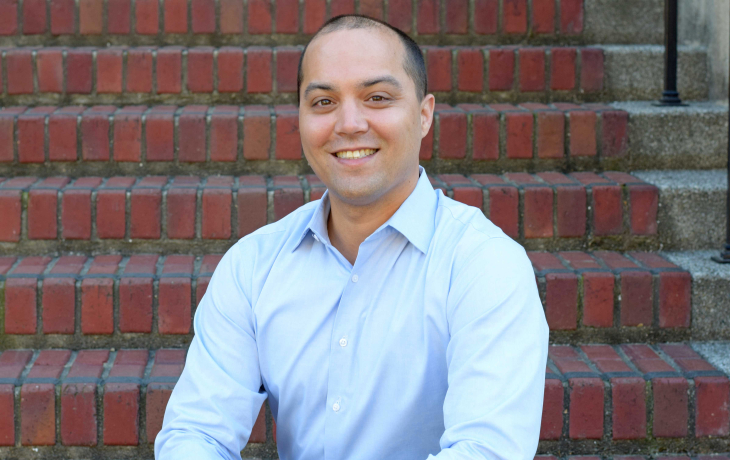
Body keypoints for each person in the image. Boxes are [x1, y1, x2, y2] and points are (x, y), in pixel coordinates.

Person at [155, 14, 549, 460]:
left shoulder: (484, 265)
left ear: (424, 115)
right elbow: (195, 434)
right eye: (323, 102)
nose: (348, 123)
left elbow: (487, 450)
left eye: (377, 97)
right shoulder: (254, 265)